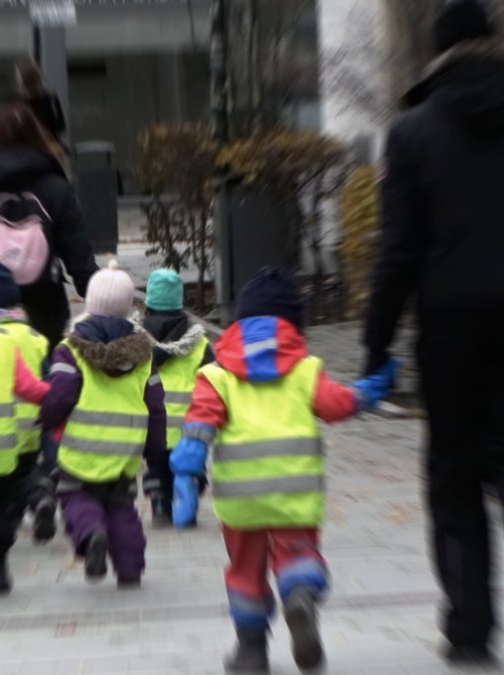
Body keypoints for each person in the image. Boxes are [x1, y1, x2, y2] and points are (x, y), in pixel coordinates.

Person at [363, 0, 504, 663]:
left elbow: (396, 251)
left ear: (438, 55)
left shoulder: (410, 135)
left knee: (455, 472)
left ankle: (469, 629)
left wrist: (377, 342)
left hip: (449, 326)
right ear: (495, 48)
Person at [169, 267, 392, 673]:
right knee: (297, 555)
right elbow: (337, 404)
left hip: (240, 500)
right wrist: (370, 391)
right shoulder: (304, 370)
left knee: (245, 570)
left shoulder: (217, 376)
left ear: (238, 322)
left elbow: (199, 424)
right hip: (295, 492)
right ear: (293, 325)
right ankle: (299, 595)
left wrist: (186, 471)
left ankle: (251, 651)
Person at [40, 263, 166, 588]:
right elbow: (155, 407)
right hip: (125, 453)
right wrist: (155, 453)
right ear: (128, 308)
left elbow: (62, 394)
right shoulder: (143, 355)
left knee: (77, 499)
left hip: (81, 449)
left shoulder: (71, 351)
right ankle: (130, 568)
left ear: (89, 304)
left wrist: (46, 418)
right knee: (122, 507)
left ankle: (91, 535)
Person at [0, 103, 99, 348]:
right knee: (44, 378)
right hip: (45, 309)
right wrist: (100, 301)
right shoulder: (55, 187)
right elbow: (78, 252)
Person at [139, 269, 214, 528]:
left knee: (156, 466)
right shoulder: (200, 345)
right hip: (189, 427)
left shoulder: (136, 341)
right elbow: (214, 381)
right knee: (189, 464)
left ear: (148, 304)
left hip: (152, 426)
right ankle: (189, 486)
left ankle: (160, 502)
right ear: (181, 305)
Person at [0, 273, 53, 594]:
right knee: (7, 498)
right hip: (5, 447)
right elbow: (32, 388)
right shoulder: (6, 345)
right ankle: (38, 495)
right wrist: (59, 397)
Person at [14, 59, 67, 146]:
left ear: (22, 79)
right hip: (48, 146)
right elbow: (61, 126)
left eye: (17, 76)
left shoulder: (15, 101)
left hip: (25, 147)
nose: (16, 79)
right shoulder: (51, 98)